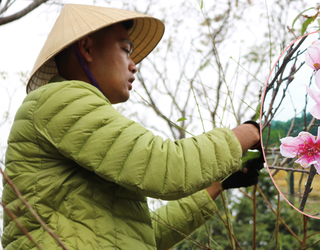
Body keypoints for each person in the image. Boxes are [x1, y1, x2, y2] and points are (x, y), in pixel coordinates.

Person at [2, 4, 261, 250]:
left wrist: (218, 184)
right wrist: (250, 132)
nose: (134, 65)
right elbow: (165, 167)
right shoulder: (59, 99)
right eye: (126, 50)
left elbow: (143, 237)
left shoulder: (72, 114)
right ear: (87, 49)